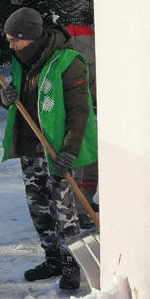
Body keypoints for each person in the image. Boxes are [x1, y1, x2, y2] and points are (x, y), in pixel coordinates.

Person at [0, 7, 98, 291]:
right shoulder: (21, 62)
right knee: (39, 208)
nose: (11, 46)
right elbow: (22, 100)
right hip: (31, 148)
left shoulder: (68, 63)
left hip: (57, 152)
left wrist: (69, 151)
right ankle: (52, 258)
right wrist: (8, 97)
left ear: (30, 37)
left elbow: (80, 112)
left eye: (14, 40)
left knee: (65, 211)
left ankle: (71, 264)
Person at [65, 24, 99, 230]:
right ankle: (77, 209)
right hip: (79, 108)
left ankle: (87, 200)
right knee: (80, 160)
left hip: (96, 104)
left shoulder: (98, 37)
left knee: (93, 159)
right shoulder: (71, 40)